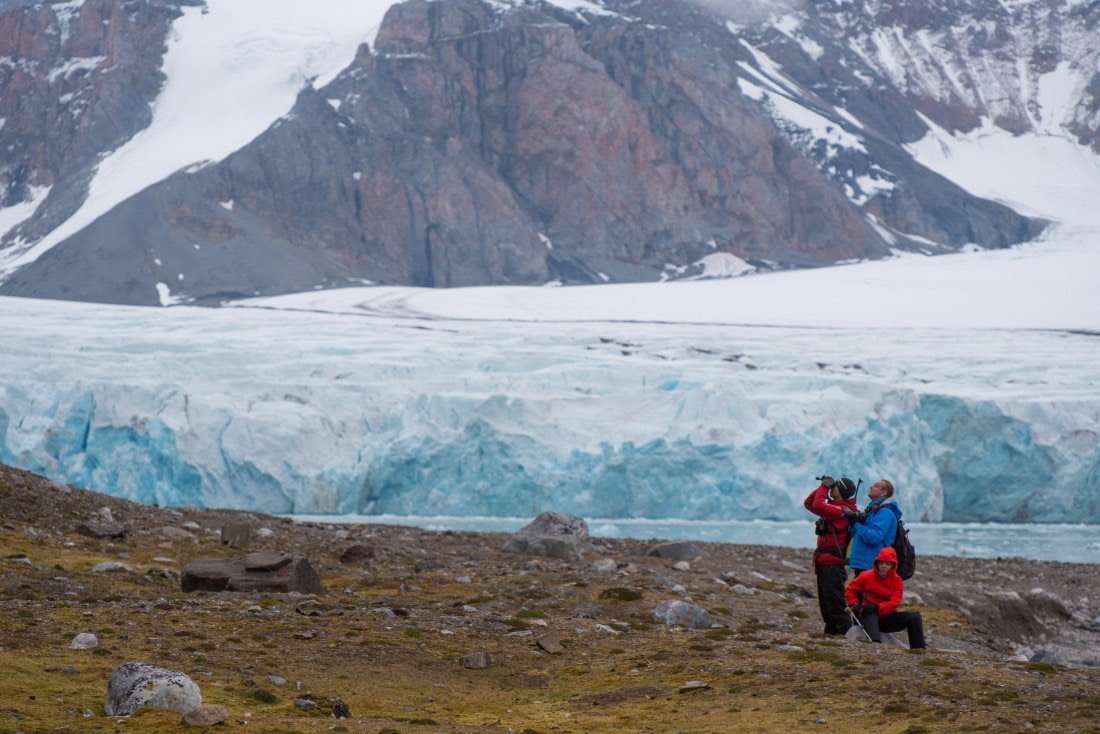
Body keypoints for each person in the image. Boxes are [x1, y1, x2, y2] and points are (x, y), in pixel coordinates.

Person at [803, 476, 858, 635]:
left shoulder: (842, 511)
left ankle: (845, 635)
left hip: (832, 564)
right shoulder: (835, 508)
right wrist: (824, 486)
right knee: (826, 606)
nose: (832, 488)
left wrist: (825, 487)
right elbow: (809, 503)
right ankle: (832, 634)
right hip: (824, 562)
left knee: (835, 605)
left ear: (841, 491)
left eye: (835, 486)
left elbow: (818, 503)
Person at [845, 546, 926, 648]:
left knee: (914, 617)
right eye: (881, 563)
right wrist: (854, 604)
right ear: (877, 564)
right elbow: (850, 589)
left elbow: (894, 603)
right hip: (867, 615)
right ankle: (876, 646)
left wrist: (877, 607)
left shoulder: (897, 581)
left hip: (886, 618)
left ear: (893, 565)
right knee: (870, 612)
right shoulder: (866, 576)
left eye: (887, 564)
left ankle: (918, 650)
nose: (883, 566)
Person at [844, 478, 899, 576]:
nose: (871, 487)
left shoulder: (884, 512)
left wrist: (856, 524)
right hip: (864, 563)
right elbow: (857, 535)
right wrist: (854, 522)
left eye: (876, 486)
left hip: (872, 565)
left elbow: (874, 537)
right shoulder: (873, 511)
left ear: (883, 493)